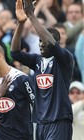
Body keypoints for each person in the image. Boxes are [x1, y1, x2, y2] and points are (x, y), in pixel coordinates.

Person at [11, 0, 74, 139]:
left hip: (59, 120)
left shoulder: (64, 59)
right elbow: (14, 53)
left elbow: (50, 42)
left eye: (43, 41)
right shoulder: (37, 61)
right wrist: (21, 23)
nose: (41, 44)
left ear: (56, 43)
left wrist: (31, 16)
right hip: (40, 122)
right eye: (39, 41)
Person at [0, 42, 35, 139]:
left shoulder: (21, 79)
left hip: (21, 136)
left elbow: (37, 106)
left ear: (0, 57)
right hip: (0, 135)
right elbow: (6, 106)